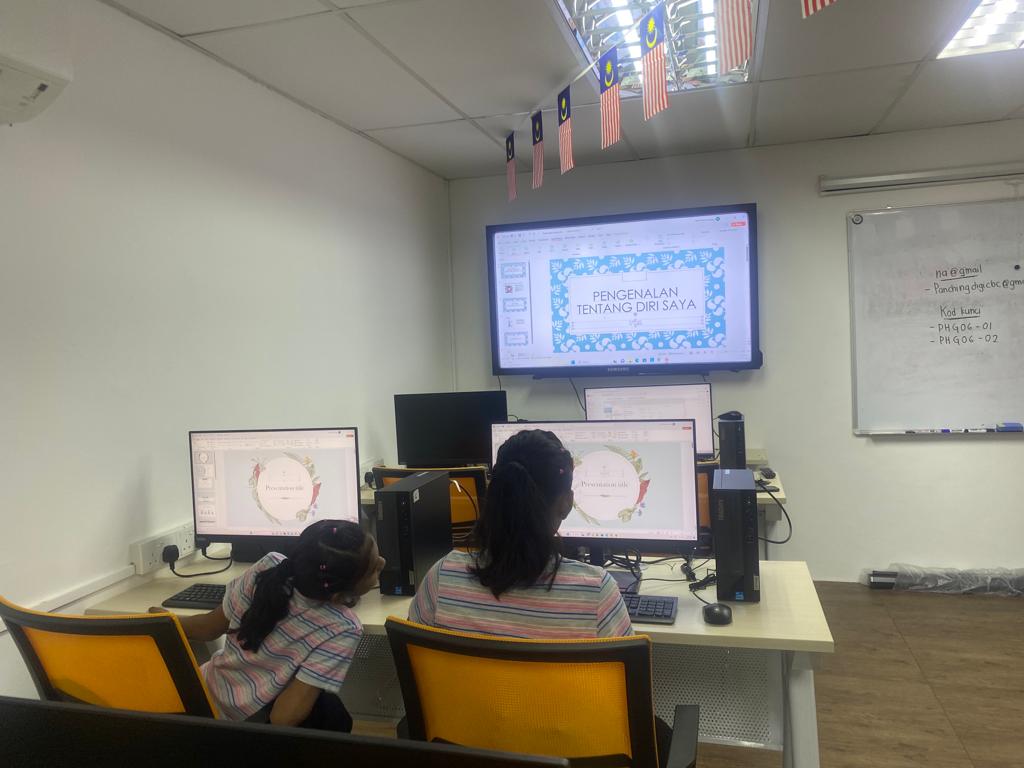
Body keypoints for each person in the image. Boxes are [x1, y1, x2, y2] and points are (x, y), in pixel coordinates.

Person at [157, 520, 385, 729]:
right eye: (374, 568)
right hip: (238, 725)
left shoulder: (268, 566)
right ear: (337, 595)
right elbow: (283, 718)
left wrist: (164, 620)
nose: (383, 563)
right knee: (333, 716)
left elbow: (208, 628)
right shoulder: (343, 627)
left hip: (199, 697)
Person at [408, 428, 632, 638]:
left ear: (493, 495)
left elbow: (412, 657)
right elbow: (630, 667)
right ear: (566, 503)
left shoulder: (441, 579)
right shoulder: (598, 593)